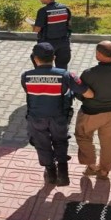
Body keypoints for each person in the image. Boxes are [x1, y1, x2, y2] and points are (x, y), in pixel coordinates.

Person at [22, 42, 93, 186]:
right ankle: (63, 173)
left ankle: (51, 173)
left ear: (35, 59)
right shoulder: (66, 75)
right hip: (59, 117)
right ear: (54, 57)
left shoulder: (26, 76)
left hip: (36, 118)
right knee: (60, 141)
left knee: (42, 144)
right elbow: (89, 94)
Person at [75, 41, 111, 180]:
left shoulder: (89, 73)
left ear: (99, 53)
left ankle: (91, 165)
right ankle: (104, 171)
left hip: (91, 112)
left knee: (83, 136)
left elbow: (81, 94)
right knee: (110, 142)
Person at [32, 0, 72, 69]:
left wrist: (33, 26)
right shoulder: (65, 8)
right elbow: (69, 24)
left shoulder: (43, 11)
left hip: (47, 44)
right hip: (64, 43)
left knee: (41, 64)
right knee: (62, 67)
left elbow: (37, 29)